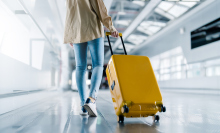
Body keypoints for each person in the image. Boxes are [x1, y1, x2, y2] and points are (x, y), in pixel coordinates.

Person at [63, 0, 119, 117]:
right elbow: (100, 9)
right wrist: (111, 27)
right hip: (93, 28)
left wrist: (70, 35)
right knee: (98, 65)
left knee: (80, 67)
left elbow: (69, 12)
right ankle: (92, 99)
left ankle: (83, 105)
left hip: (77, 31)